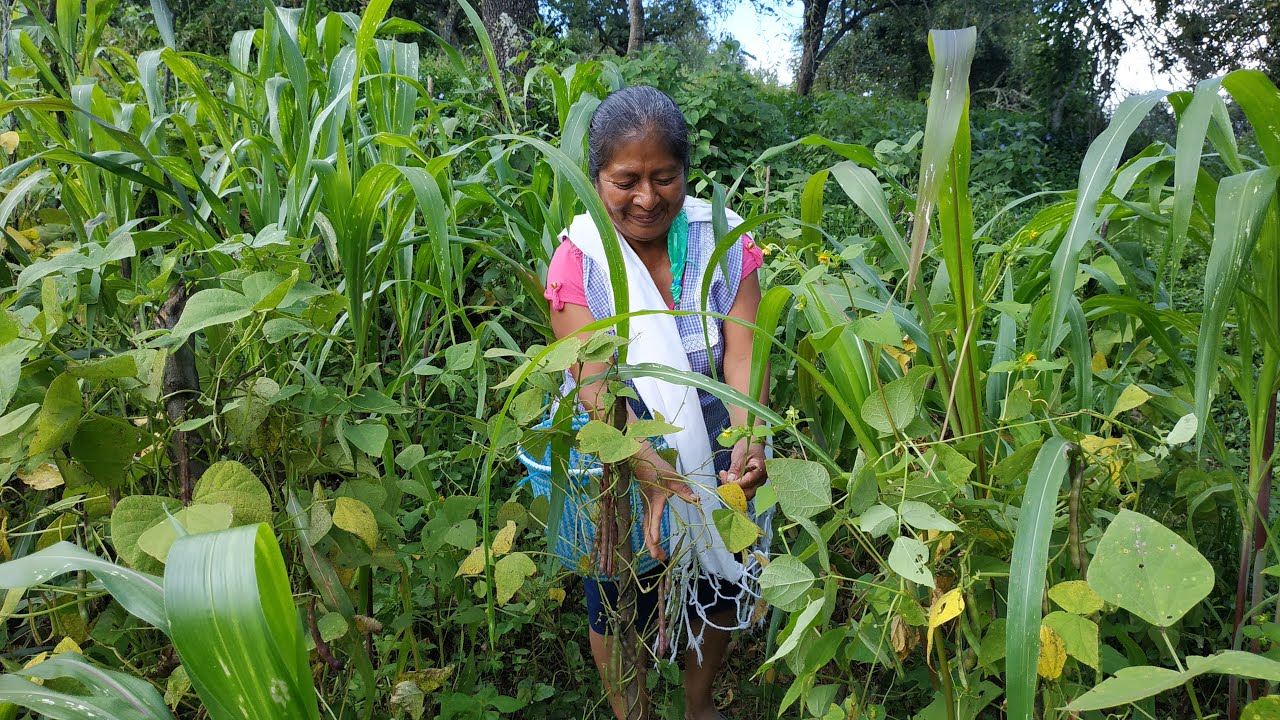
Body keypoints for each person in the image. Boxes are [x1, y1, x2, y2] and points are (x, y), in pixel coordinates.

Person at [531, 85, 772, 720]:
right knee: (616, 596)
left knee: (720, 578)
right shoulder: (579, 260)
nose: (646, 198)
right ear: (596, 179)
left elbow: (744, 353)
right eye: (625, 181)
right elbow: (595, 384)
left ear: (686, 173)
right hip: (616, 449)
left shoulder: (723, 240)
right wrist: (648, 465)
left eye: (664, 178)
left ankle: (698, 705)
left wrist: (749, 437)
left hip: (716, 445)